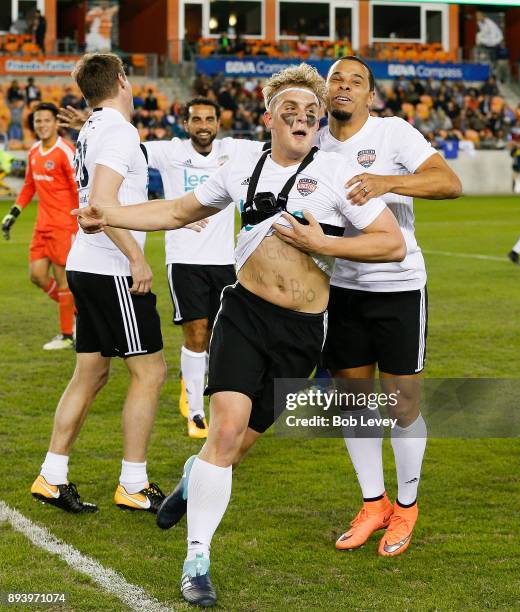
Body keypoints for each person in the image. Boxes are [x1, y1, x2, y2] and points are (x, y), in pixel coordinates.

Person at [75, 63, 406, 607]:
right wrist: (109, 211)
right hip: (244, 316)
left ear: (318, 121)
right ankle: (197, 560)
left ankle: (193, 476)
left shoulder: (339, 173)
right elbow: (181, 210)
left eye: (310, 113)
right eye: (291, 111)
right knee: (225, 432)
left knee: (233, 448)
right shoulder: (240, 166)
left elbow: (390, 242)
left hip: (302, 333)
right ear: (270, 118)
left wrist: (325, 245)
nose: (302, 119)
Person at [281, 56, 462, 557]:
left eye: (355, 81)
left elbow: (449, 183)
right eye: (336, 78)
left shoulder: (393, 134)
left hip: (399, 286)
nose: (344, 86)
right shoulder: (311, 142)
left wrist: (387, 181)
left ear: (370, 96)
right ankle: (373, 503)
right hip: (340, 288)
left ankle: (406, 507)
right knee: (355, 403)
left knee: (403, 404)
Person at [29, 53, 166, 515]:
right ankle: (133, 482)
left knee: (90, 374)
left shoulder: (93, 127)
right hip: (111, 268)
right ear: (123, 81)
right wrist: (135, 258)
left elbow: (104, 200)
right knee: (150, 371)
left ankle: (51, 476)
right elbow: (102, 205)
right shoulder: (117, 130)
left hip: (86, 264)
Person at [144, 98, 264, 438]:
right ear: (186, 123)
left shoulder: (235, 150)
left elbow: (281, 143)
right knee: (196, 333)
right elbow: (129, 152)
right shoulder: (170, 152)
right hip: (184, 259)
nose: (203, 125)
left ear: (218, 122)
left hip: (225, 261)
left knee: (219, 337)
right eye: (196, 119)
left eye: (209, 118)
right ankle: (196, 413)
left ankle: (196, 381)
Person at [1, 103, 78, 350]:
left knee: (63, 280)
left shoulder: (66, 151)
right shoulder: (34, 151)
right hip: (42, 225)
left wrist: (81, 223)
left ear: (57, 123)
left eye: (46, 120)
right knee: (36, 275)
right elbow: (28, 186)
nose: (42, 125)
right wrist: (13, 213)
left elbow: (78, 188)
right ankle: (78, 313)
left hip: (64, 225)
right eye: (38, 121)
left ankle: (67, 334)